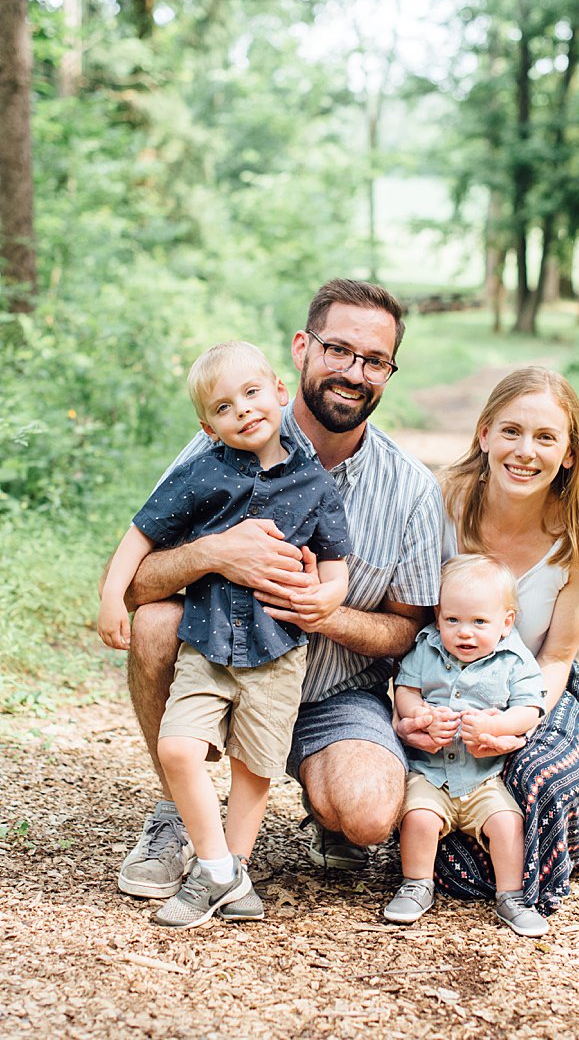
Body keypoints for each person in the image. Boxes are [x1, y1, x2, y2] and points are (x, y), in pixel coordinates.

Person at [113, 280, 444, 918]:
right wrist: (213, 552)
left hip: (330, 691)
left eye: (374, 361)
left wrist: (331, 614)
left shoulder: (410, 490)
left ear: (389, 372)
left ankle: (326, 806)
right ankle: (184, 817)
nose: (354, 372)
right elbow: (134, 582)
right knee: (156, 623)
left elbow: (409, 630)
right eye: (339, 350)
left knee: (371, 817)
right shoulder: (220, 445)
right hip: (222, 658)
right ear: (301, 349)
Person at [99, 341, 352, 927]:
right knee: (178, 748)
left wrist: (327, 596)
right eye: (223, 406)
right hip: (208, 643)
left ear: (280, 394)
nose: (242, 409)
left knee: (253, 767)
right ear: (208, 426)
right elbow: (140, 535)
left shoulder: (315, 484)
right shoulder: (201, 474)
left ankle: (230, 874)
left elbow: (336, 562)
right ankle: (216, 868)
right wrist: (113, 595)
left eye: (253, 393)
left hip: (277, 652)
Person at [427, 366, 579, 915]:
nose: (525, 451)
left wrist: (516, 722)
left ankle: (563, 827)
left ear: (570, 454)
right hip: (444, 682)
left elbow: (557, 656)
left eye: (546, 437)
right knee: (434, 827)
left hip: (535, 685)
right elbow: (410, 627)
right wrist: (416, 712)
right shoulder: (441, 501)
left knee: (533, 779)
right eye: (511, 431)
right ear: (484, 433)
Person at [384, 554, 549, 936]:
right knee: (419, 818)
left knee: (507, 822)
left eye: (479, 622)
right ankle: (416, 885)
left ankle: (512, 896)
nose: (465, 633)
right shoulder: (426, 647)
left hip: (483, 778)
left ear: (506, 623)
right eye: (453, 620)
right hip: (430, 772)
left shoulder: (514, 659)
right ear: (438, 616)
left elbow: (531, 708)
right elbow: (405, 691)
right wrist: (421, 715)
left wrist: (499, 725)